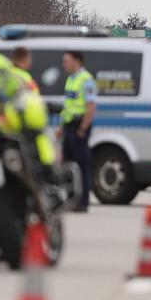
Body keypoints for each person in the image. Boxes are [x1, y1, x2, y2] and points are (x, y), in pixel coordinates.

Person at [58, 51, 96, 212]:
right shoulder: (71, 79)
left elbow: (91, 106)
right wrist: (61, 127)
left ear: (77, 61)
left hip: (79, 126)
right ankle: (71, 199)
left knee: (82, 165)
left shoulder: (86, 80)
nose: (64, 64)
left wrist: (83, 128)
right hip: (69, 125)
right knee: (68, 164)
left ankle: (83, 202)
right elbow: (68, 106)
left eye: (67, 61)